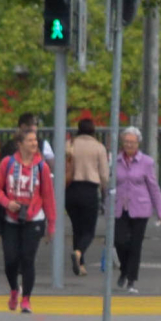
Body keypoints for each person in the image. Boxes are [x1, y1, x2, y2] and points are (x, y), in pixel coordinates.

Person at [0, 130, 57, 314]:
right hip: (11, 219)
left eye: (35, 140)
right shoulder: (7, 163)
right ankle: (14, 289)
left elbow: (48, 197)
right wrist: (8, 203)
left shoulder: (42, 167)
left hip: (34, 218)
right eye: (29, 140)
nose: (33, 143)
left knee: (28, 259)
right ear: (19, 144)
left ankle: (27, 299)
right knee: (11, 260)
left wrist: (51, 224)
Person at [112, 127, 161, 296]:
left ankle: (131, 279)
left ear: (138, 143)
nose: (129, 145)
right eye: (126, 141)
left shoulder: (146, 162)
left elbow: (153, 187)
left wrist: (160, 212)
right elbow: (110, 184)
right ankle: (124, 270)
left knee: (135, 245)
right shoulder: (115, 160)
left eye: (132, 142)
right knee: (119, 241)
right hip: (120, 207)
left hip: (140, 208)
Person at [64, 116, 107, 277]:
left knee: (77, 228)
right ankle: (79, 252)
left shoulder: (69, 144)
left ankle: (81, 264)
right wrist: (105, 191)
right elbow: (104, 175)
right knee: (89, 230)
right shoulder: (98, 147)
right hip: (89, 190)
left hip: (70, 190)